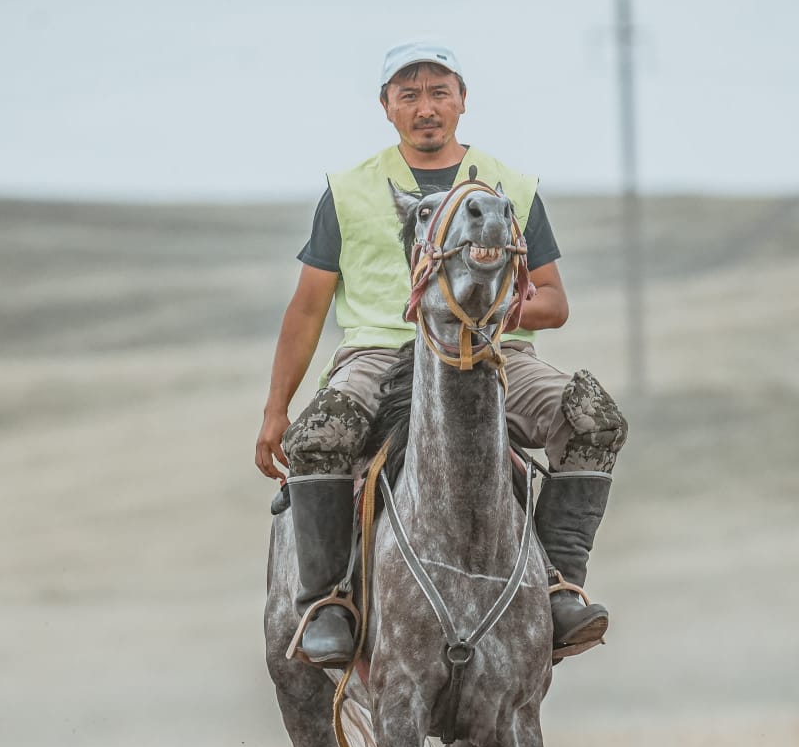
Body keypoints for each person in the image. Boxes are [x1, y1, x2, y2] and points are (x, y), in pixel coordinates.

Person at [255, 42, 628, 667]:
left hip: (493, 350)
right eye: (409, 95)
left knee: (595, 421)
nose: (425, 108)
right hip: (382, 351)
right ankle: (325, 606)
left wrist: (492, 311)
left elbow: (555, 302)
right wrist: (276, 410)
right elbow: (307, 308)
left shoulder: (512, 187)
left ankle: (558, 588)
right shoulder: (347, 192)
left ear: (461, 101)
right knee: (317, 438)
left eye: (438, 93)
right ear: (387, 107)